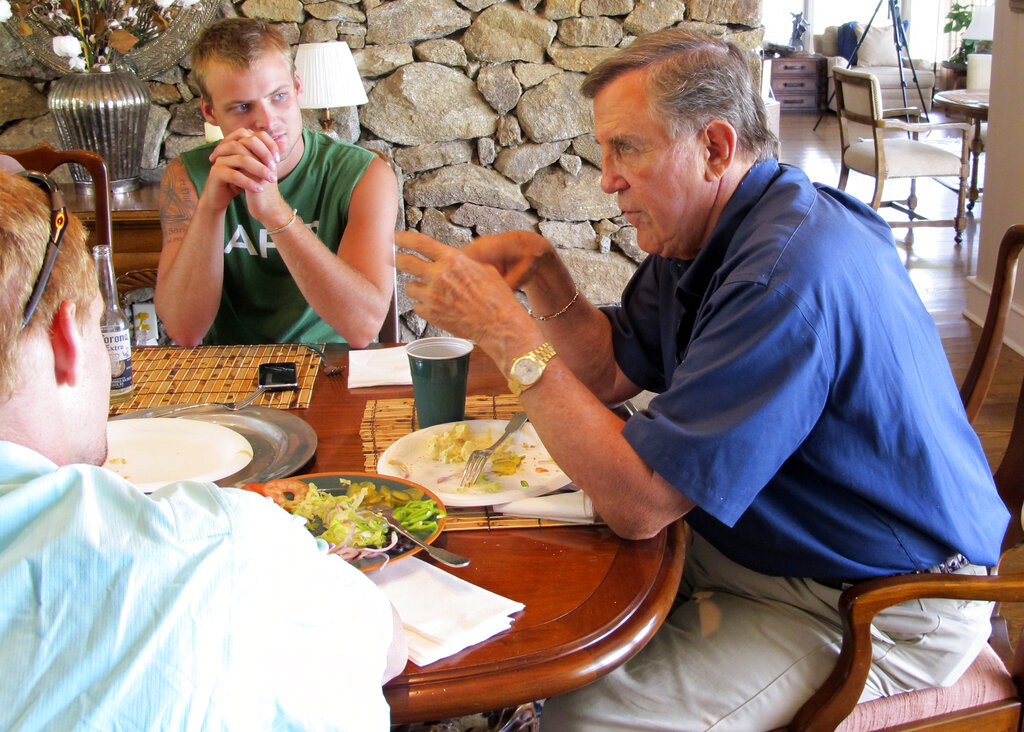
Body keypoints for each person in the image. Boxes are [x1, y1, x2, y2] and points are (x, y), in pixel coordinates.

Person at [395, 29, 1008, 731]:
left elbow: (641, 503)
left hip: (882, 597)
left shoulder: (783, 274)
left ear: (715, 148)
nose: (606, 178)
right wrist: (541, 267)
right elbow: (609, 371)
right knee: (541, 551)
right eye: (604, 150)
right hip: (781, 540)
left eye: (627, 147)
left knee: (589, 716)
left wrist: (509, 334)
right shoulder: (708, 229)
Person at [0, 169, 406, 730]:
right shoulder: (215, 539)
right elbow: (385, 644)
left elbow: (364, 324)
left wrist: (274, 213)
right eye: (101, 326)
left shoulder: (357, 174)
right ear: (67, 340)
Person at [156, 18, 397, 348]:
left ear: (298, 88)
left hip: (333, 367)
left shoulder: (365, 175)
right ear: (210, 112)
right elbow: (184, 331)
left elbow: (363, 327)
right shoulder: (188, 175)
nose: (267, 121)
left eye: (279, 96)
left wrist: (275, 213)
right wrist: (211, 208)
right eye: (242, 107)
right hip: (229, 371)